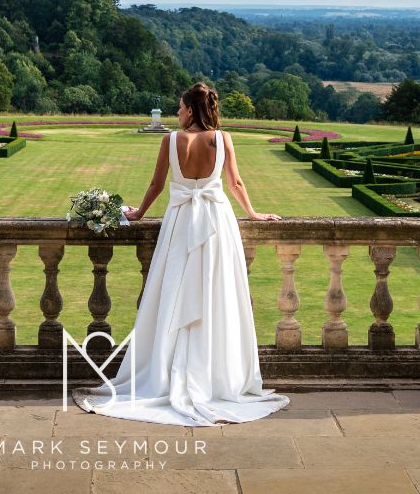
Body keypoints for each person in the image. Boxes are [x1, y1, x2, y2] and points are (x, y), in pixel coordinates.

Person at [72, 82, 290, 426]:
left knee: (171, 292)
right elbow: (236, 184)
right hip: (217, 224)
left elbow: (157, 185)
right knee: (216, 295)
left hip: (180, 222)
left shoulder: (170, 140)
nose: (176, 113)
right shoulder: (223, 139)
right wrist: (253, 214)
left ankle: (166, 371)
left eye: (179, 107)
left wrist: (139, 214)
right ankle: (217, 376)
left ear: (190, 109)